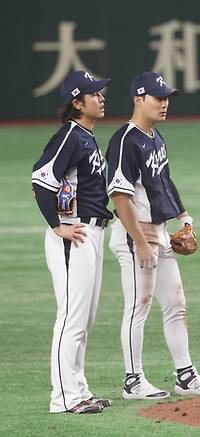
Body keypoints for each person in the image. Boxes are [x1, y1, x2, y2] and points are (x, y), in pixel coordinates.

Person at [105, 72, 200, 399]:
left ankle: (185, 375)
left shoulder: (155, 137)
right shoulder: (124, 141)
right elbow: (119, 197)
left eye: (166, 97)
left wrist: (184, 218)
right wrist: (141, 242)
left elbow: (164, 182)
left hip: (158, 231)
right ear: (138, 100)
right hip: (135, 235)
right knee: (138, 307)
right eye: (158, 97)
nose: (164, 103)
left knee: (176, 304)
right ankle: (133, 380)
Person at [31, 71, 113, 414]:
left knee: (85, 318)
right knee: (71, 317)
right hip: (73, 235)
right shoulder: (69, 136)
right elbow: (40, 178)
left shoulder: (86, 137)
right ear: (77, 103)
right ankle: (63, 397)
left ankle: (79, 389)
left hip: (91, 233)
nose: (102, 97)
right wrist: (57, 226)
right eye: (94, 94)